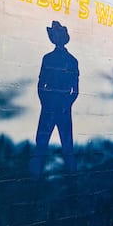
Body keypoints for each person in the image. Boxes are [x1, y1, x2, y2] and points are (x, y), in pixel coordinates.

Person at [30, 21, 79, 174]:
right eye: (54, 35)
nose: (57, 38)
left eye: (58, 35)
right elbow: (40, 84)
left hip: (61, 107)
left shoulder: (72, 61)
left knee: (67, 146)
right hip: (49, 106)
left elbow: (75, 90)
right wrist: (45, 102)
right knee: (41, 144)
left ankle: (72, 179)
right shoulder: (48, 58)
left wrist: (65, 105)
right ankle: (36, 178)